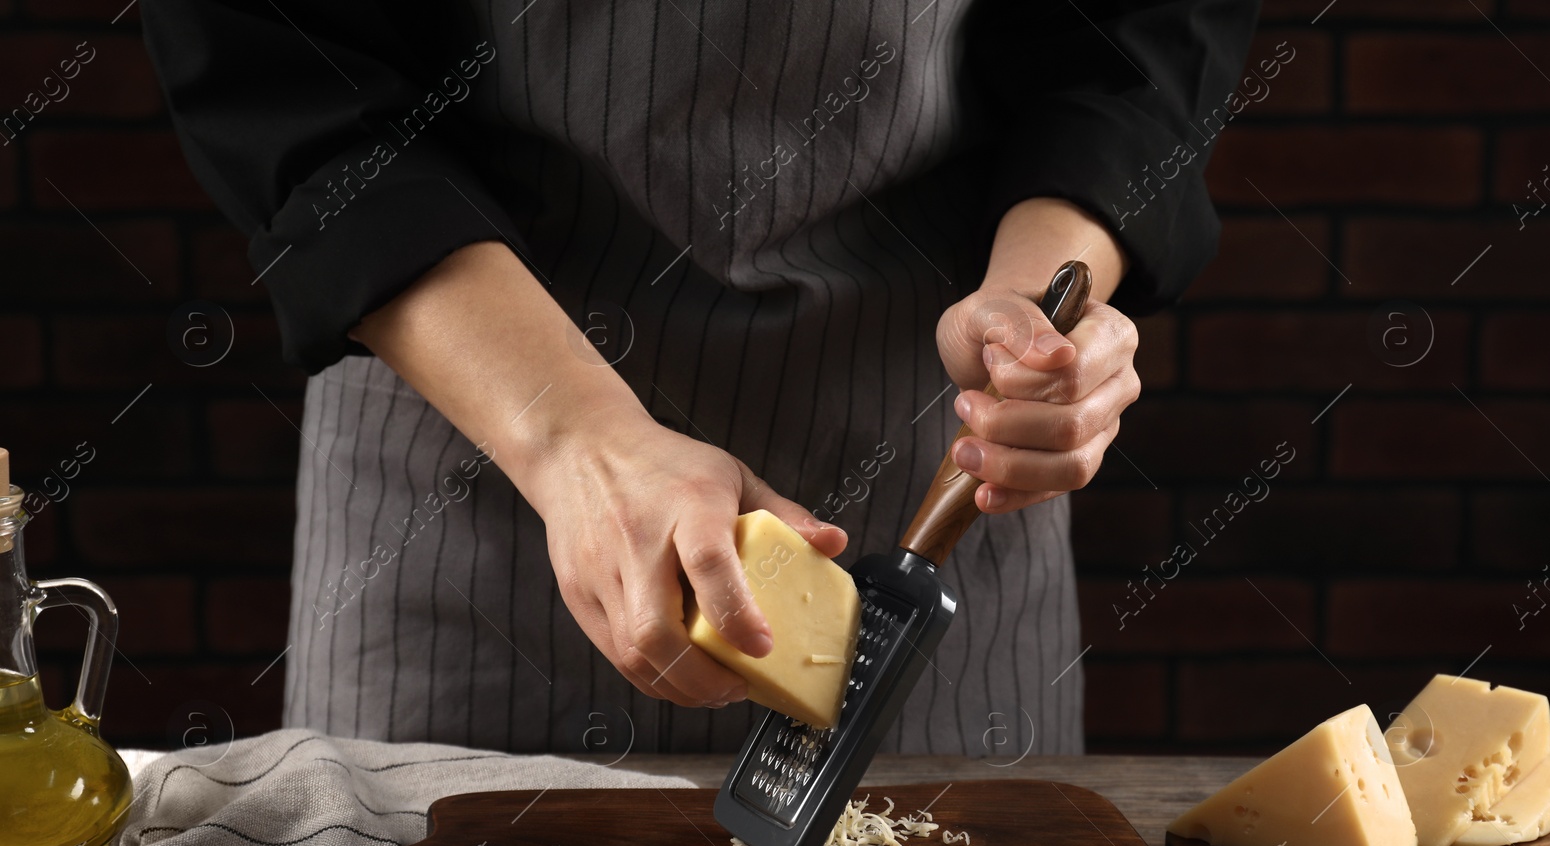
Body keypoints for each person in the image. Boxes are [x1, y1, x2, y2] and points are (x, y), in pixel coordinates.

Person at [142, 0, 1258, 756]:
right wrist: (572, 437)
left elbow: (1134, 39)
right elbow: (285, 70)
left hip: (929, 477)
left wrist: (1038, 300)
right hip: (469, 488)